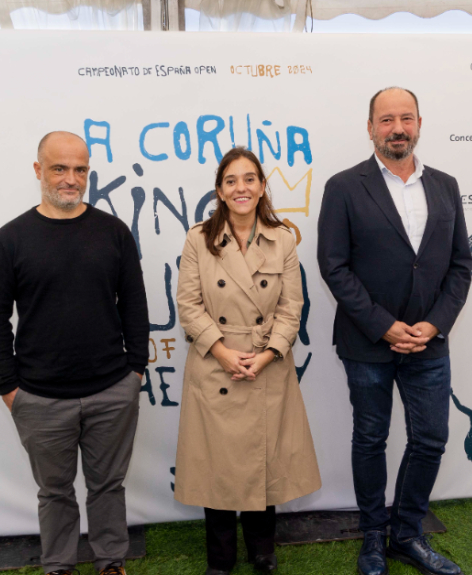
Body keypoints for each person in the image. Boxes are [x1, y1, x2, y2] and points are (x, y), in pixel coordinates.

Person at [317, 88, 472, 575]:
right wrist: (385, 327)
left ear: (420, 123)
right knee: (370, 438)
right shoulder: (343, 186)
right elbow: (333, 266)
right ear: (370, 128)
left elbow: (461, 265)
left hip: (430, 342)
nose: (397, 128)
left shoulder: (446, 186)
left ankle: (407, 535)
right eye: (387, 120)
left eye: (406, 118)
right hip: (367, 343)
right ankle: (373, 538)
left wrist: (434, 323)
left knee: (430, 439)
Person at [0, 131, 149, 575]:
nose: (71, 179)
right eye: (60, 168)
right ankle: (58, 565)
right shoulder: (9, 240)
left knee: (108, 486)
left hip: (113, 390)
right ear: (38, 171)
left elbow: (135, 305)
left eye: (80, 169)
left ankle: (111, 561)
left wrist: (135, 373)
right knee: (54, 492)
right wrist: (9, 388)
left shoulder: (113, 233)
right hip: (38, 397)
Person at [174, 147, 322, 575]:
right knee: (217, 468)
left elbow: (293, 308)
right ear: (220, 190)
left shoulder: (283, 239)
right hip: (214, 362)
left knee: (265, 463)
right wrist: (221, 350)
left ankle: (263, 550)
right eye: (232, 180)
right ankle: (219, 560)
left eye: (250, 179)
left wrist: (269, 354)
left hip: (267, 365)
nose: (241, 188)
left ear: (261, 188)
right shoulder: (197, 238)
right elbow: (188, 304)